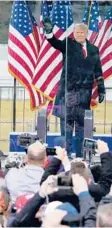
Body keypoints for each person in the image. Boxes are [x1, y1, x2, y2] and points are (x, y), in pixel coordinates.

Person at [43, 18, 105, 157]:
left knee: (82, 130)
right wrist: (49, 33)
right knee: (66, 129)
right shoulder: (67, 44)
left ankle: (80, 157)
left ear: (86, 33)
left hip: (84, 97)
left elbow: (98, 72)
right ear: (74, 33)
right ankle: (65, 156)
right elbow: (55, 43)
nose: (79, 35)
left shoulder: (94, 50)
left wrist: (101, 90)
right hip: (67, 95)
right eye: (76, 32)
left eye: (81, 32)